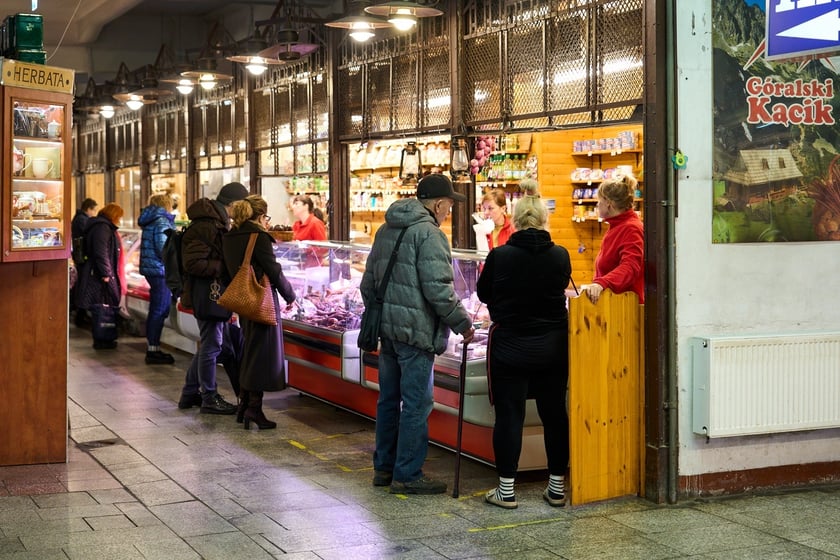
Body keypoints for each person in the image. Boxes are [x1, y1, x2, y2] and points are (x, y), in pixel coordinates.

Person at [360, 173, 475, 495]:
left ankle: (384, 468)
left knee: (388, 400)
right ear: (438, 205)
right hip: (416, 333)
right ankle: (408, 474)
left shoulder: (386, 229)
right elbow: (438, 290)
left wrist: (385, 315)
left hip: (388, 332)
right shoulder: (430, 235)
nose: (448, 212)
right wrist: (463, 324)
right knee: (416, 404)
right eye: (449, 205)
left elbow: (368, 283)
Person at [476, 195, 572, 509]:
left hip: (510, 346)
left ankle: (506, 491)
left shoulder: (500, 255)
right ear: (544, 221)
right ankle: (556, 487)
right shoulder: (560, 255)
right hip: (552, 347)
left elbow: (483, 293)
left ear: (515, 221)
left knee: (509, 415)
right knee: (554, 414)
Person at [223, 196, 296, 430]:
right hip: (261, 301)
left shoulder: (231, 235)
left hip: (243, 301)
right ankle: (254, 409)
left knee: (250, 351)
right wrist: (290, 295)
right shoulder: (258, 236)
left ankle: (244, 405)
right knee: (260, 355)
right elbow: (274, 270)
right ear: (261, 216)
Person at [177, 182, 249, 415]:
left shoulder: (214, 222)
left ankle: (190, 393)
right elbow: (192, 263)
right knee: (212, 345)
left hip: (210, 293)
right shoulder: (206, 226)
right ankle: (209, 397)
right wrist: (225, 267)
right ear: (234, 204)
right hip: (207, 294)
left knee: (209, 343)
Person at [583, 174, 645, 304]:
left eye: (599, 201)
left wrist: (602, 283)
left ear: (608, 203)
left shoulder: (631, 228)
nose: (597, 204)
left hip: (624, 307)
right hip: (612, 304)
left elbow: (630, 267)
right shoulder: (617, 226)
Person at [75, 203, 124, 350]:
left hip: (99, 272)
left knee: (103, 306)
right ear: (114, 215)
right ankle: (103, 338)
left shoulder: (100, 226)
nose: (120, 220)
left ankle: (104, 337)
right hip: (100, 274)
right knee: (103, 307)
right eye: (119, 217)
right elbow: (101, 252)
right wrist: (106, 273)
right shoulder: (103, 228)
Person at [138, 193, 176, 365]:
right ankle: (153, 350)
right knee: (159, 310)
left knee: (156, 308)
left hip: (151, 269)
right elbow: (164, 249)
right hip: (160, 271)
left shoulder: (150, 219)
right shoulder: (161, 221)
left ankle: (152, 347)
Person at [70, 198, 99, 326]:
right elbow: (87, 237)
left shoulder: (79, 218)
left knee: (82, 284)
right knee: (83, 285)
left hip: (80, 257)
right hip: (83, 257)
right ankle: (80, 316)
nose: (94, 213)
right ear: (88, 209)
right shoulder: (82, 220)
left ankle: (80, 313)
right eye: (94, 210)